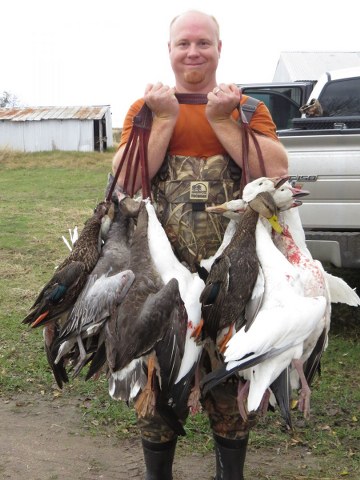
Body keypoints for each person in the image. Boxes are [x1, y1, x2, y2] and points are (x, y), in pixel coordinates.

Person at [112, 9, 288, 480]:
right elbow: (126, 183)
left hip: (233, 279)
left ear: (219, 48)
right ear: (169, 51)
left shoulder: (246, 108)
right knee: (156, 380)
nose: (193, 51)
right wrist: (166, 118)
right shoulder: (145, 110)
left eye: (203, 43)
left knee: (232, 384)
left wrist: (222, 120)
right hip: (160, 281)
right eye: (183, 43)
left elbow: (277, 171)